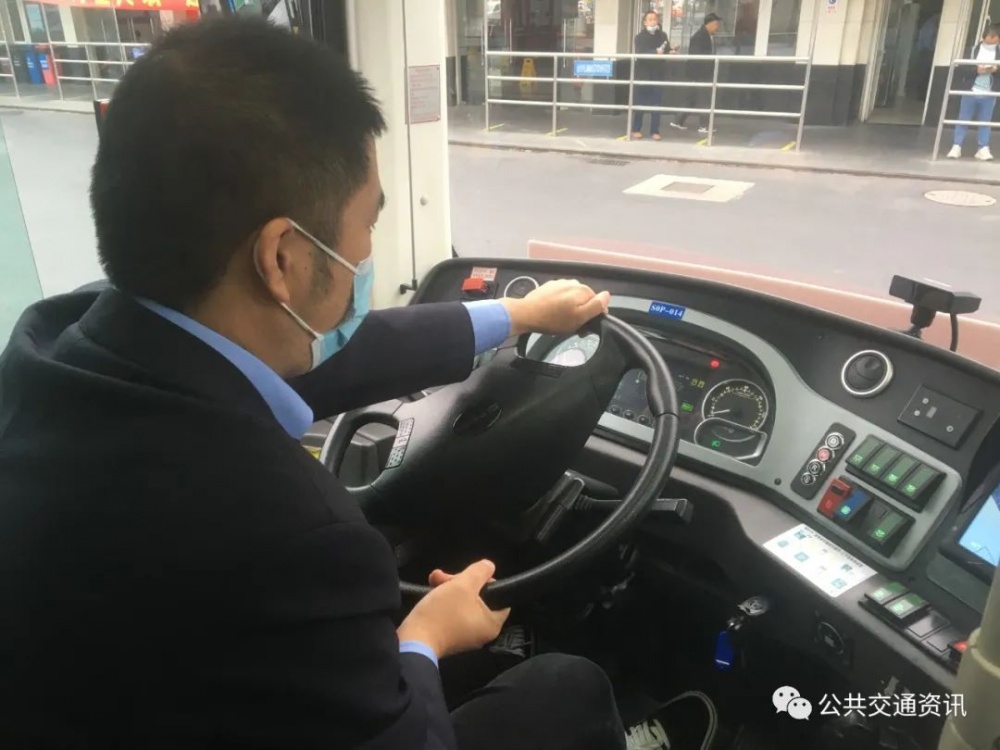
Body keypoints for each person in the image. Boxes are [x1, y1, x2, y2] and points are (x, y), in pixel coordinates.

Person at [0, 16, 628, 750]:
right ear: (283, 258)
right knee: (565, 689)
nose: (366, 252)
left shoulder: (58, 345)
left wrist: (516, 316)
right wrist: (424, 637)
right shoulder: (295, 539)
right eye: (367, 225)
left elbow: (333, 357)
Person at [947, 25, 1000, 161]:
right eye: (991, 39)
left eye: (995, 39)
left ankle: (983, 148)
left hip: (989, 92)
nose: (993, 42)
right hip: (971, 91)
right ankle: (957, 146)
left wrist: (995, 70)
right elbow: (961, 69)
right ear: (985, 37)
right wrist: (976, 70)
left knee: (985, 122)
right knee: (963, 119)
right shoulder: (971, 50)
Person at [671, 12, 722, 134]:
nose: (717, 27)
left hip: (699, 73)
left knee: (691, 98)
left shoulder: (707, 36)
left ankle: (678, 120)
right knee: (704, 99)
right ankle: (704, 126)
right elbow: (697, 56)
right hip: (700, 73)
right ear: (709, 24)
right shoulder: (700, 37)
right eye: (716, 24)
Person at [631, 10, 673, 140]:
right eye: (650, 19)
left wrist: (670, 51)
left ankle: (655, 131)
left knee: (656, 103)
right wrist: (655, 52)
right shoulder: (639, 37)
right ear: (645, 22)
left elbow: (666, 49)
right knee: (640, 103)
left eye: (655, 19)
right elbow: (640, 52)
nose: (653, 22)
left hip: (658, 73)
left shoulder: (662, 35)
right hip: (644, 74)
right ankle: (636, 128)